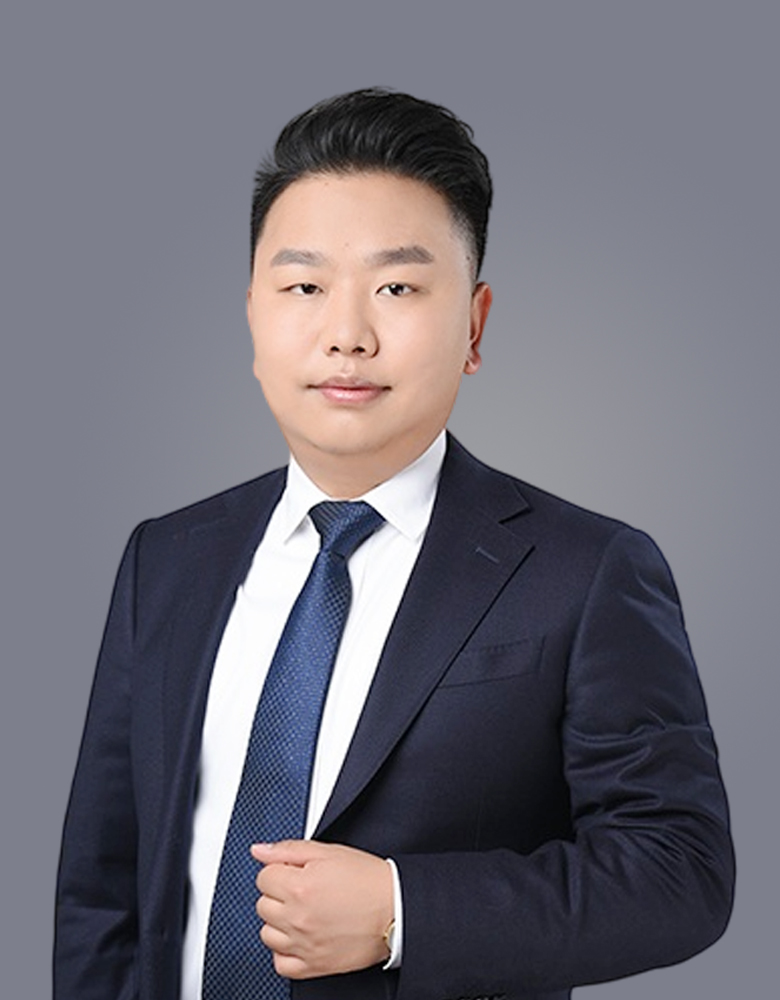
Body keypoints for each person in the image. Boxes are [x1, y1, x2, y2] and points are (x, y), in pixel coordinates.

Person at [53, 88, 734, 1000]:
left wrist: (401, 911)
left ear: (474, 327)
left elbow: (680, 872)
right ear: (253, 315)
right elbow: (103, 890)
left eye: (398, 288)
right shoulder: (168, 557)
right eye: (304, 287)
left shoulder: (586, 572)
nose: (347, 335)